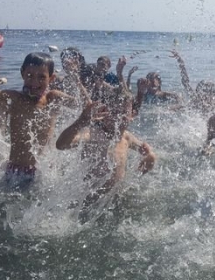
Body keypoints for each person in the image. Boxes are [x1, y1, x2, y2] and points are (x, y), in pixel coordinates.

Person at [0, 50, 88, 183]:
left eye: (41, 77)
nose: (35, 82)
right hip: (14, 171)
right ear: (22, 73)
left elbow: (85, 105)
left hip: (42, 173)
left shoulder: (53, 98)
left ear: (51, 78)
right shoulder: (14, 98)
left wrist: (75, 77)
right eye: (29, 75)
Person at [56, 85, 156, 219]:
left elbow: (145, 151)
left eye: (122, 113)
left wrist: (150, 157)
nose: (117, 117)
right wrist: (81, 121)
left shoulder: (127, 137)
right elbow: (61, 145)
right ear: (103, 113)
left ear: (132, 114)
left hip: (115, 198)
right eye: (112, 112)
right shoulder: (93, 134)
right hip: (89, 201)